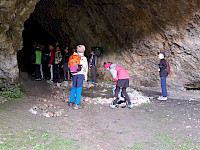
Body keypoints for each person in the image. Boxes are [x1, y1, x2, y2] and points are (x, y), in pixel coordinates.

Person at [69, 45, 88, 109]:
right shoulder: (84, 58)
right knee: (79, 89)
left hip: (74, 74)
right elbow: (85, 67)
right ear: (83, 50)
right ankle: (77, 104)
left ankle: (71, 102)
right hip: (80, 74)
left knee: (74, 87)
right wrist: (86, 75)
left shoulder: (73, 56)